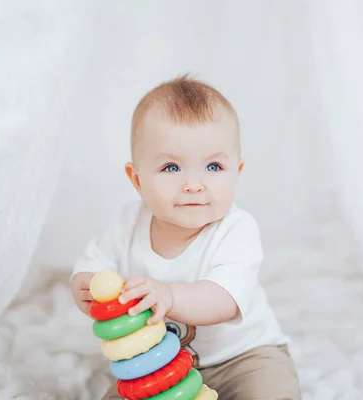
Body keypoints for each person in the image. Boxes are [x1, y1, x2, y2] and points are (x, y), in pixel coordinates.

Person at [70, 74, 301, 399]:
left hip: (242, 357)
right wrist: (86, 285)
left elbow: (224, 299)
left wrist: (170, 297)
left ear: (237, 171)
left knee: (271, 391)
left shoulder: (236, 230)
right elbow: (94, 267)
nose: (194, 184)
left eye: (213, 167)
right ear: (136, 180)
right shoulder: (127, 222)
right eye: (171, 168)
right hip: (154, 365)